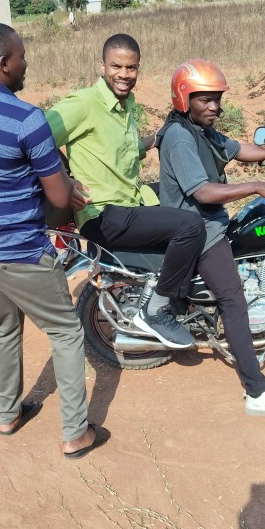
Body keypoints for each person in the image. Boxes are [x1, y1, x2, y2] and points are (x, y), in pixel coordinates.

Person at [0, 23, 109, 459]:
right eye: (21, 56)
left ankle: (8, 413)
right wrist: (67, 184)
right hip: (18, 251)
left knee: (3, 325)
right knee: (67, 332)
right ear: (3, 63)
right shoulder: (26, 119)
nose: (25, 63)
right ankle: (75, 432)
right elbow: (56, 195)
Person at [156, 59, 265, 418]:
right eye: (204, 99)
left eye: (217, 99)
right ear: (184, 98)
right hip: (197, 230)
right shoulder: (179, 137)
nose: (214, 107)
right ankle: (257, 392)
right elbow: (205, 192)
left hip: (208, 224)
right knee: (233, 301)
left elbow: (238, 149)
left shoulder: (201, 130)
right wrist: (256, 186)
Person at [45, 34, 206, 349]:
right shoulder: (86, 103)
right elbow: (35, 137)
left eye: (131, 67)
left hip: (128, 202)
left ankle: (190, 291)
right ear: (102, 66)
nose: (124, 74)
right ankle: (157, 308)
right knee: (190, 226)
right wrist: (65, 179)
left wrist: (157, 138)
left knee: (193, 198)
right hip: (103, 214)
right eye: (116, 65)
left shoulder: (124, 104)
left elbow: (125, 149)